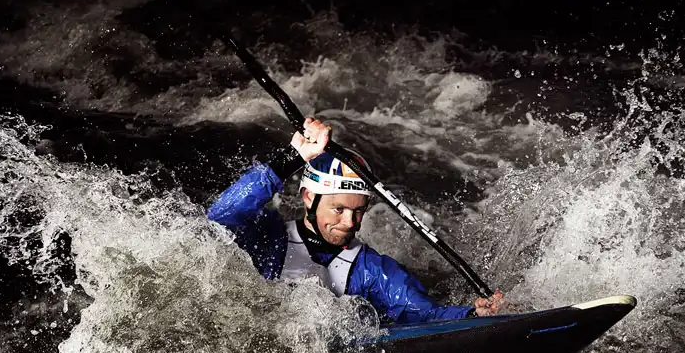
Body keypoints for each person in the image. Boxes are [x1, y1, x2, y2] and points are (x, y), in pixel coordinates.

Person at [207, 118, 505, 323]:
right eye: (338, 210)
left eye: (358, 211)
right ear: (309, 198)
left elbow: (426, 315)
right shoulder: (267, 237)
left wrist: (471, 315)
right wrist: (293, 157)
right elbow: (220, 218)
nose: (350, 222)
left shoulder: (371, 269)